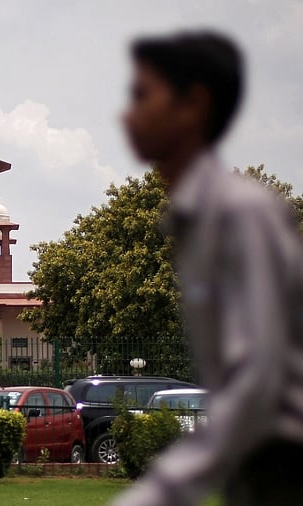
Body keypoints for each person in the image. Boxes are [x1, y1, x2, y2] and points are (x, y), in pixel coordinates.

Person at [113, 30, 303, 506]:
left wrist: (161, 491)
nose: (126, 115)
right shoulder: (193, 220)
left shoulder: (240, 214)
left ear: (193, 106)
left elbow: (256, 379)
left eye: (142, 95)